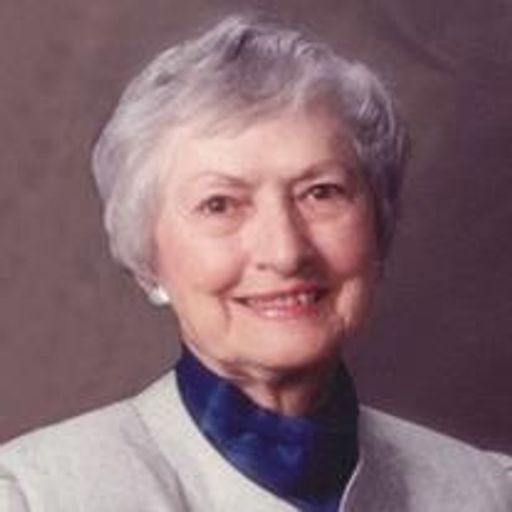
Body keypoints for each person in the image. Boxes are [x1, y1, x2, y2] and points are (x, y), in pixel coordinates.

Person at [0, 13, 510, 512]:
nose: (285, 251)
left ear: (377, 225)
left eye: (320, 193)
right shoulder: (34, 495)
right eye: (220, 205)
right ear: (148, 261)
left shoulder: (487, 492)